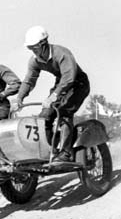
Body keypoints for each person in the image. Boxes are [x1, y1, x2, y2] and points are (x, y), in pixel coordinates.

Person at [13, 26, 90, 164]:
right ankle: (49, 151)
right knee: (44, 117)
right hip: (60, 85)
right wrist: (19, 98)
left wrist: (53, 97)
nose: (33, 52)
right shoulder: (35, 60)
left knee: (64, 112)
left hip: (78, 84)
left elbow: (69, 78)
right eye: (30, 49)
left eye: (34, 48)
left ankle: (66, 153)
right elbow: (29, 80)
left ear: (43, 44)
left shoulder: (61, 54)